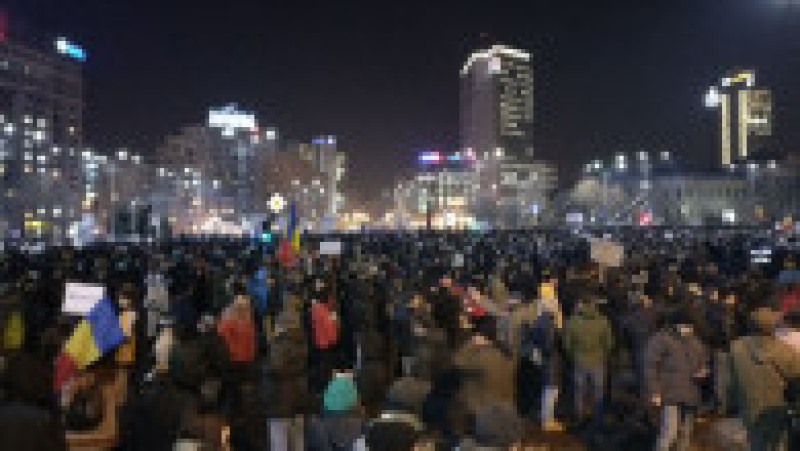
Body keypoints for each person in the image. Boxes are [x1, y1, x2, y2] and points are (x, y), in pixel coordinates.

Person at [728, 306, 800, 451]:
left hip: (748, 405)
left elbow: (731, 379)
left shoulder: (736, 347)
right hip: (777, 406)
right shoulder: (785, 350)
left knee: (756, 442)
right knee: (779, 443)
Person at [644, 309, 709, 451]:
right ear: (675, 324)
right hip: (670, 394)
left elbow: (703, 362)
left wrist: (703, 371)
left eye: (690, 326)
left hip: (691, 394)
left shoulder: (696, 342)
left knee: (686, 433)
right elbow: (650, 366)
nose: (688, 329)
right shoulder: (661, 339)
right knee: (669, 432)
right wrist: (655, 392)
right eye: (685, 326)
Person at [563, 297, 614, 424]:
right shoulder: (603, 321)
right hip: (598, 360)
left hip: (579, 360)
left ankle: (579, 416)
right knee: (598, 390)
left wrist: (573, 354)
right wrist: (603, 354)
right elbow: (609, 343)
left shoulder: (572, 321)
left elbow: (567, 344)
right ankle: (598, 417)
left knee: (579, 390)